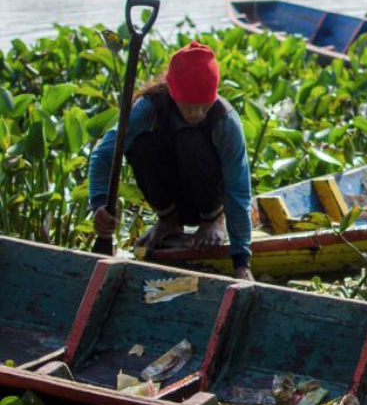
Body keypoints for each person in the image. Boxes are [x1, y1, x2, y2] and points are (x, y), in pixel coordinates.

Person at [89, 41, 253, 281]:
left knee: (191, 140)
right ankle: (168, 221)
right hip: (173, 193)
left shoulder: (224, 120)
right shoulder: (148, 108)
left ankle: (212, 220)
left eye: (203, 107)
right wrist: (100, 204)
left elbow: (238, 188)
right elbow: (104, 153)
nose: (197, 114)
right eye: (189, 107)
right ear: (174, 95)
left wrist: (241, 261)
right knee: (141, 145)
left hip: (209, 196)